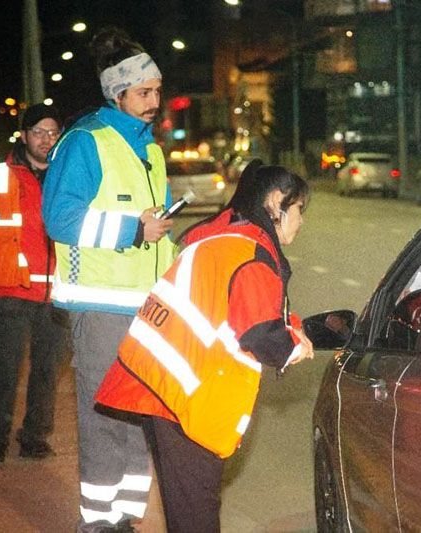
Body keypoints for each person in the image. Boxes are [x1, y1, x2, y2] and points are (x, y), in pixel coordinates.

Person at [94, 160, 315, 532]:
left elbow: (234, 308)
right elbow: (260, 334)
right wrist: (295, 347)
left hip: (163, 382)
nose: (301, 220)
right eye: (299, 210)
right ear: (276, 203)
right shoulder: (251, 253)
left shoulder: (223, 238)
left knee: (186, 504)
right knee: (196, 510)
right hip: (184, 395)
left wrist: (292, 326)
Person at [41, 27, 176, 532]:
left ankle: (125, 520)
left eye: (157, 91)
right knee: (103, 423)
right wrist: (132, 227)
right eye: (144, 93)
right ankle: (97, 525)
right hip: (98, 309)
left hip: (146, 311)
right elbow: (60, 218)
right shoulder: (84, 143)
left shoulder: (152, 152)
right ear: (116, 93)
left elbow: (155, 236)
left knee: (140, 420)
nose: (154, 102)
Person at [0, 103, 68, 466]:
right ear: (24, 136)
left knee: (47, 370)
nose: (46, 139)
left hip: (56, 293)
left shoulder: (67, 177)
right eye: (39, 132)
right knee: (4, 368)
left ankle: (35, 437)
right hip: (11, 290)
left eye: (53, 133)